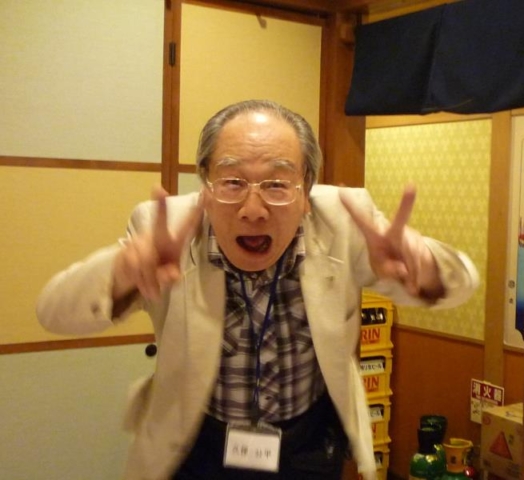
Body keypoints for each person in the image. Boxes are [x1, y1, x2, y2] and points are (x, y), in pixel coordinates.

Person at [36, 99, 479, 480]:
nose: (253, 210)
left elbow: (462, 284)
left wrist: (423, 269)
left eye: (277, 184)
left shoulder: (345, 221)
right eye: (232, 181)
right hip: (194, 440)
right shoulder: (165, 228)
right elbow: (53, 313)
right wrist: (120, 272)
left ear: (307, 190)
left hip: (309, 443)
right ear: (205, 185)